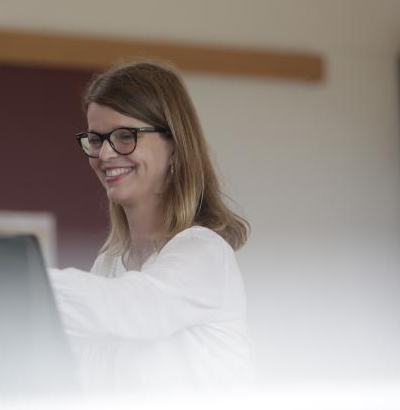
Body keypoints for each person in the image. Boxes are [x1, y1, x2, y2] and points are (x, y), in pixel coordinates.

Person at [48, 60, 253, 393]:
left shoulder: (204, 252)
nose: (104, 155)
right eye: (96, 140)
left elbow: (134, 309)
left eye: (126, 136)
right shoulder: (109, 265)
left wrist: (15, 280)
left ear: (174, 145)